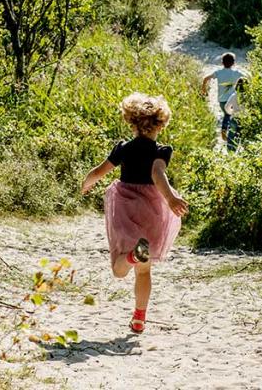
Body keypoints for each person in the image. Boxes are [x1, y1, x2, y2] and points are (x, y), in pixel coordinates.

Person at [81, 93, 189, 334]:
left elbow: (100, 171)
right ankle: (139, 318)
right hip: (152, 209)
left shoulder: (123, 147)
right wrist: (170, 198)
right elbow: (157, 174)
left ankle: (130, 257)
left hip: (126, 204)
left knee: (119, 270)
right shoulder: (162, 150)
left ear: (131, 122)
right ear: (161, 124)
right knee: (145, 269)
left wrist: (86, 184)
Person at [200, 52, 245, 146]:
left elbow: (205, 78)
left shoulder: (219, 72)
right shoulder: (236, 73)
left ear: (222, 62)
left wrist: (204, 89)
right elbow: (248, 77)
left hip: (221, 99)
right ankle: (227, 130)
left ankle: (226, 130)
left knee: (227, 114)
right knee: (230, 115)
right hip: (233, 99)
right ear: (234, 63)